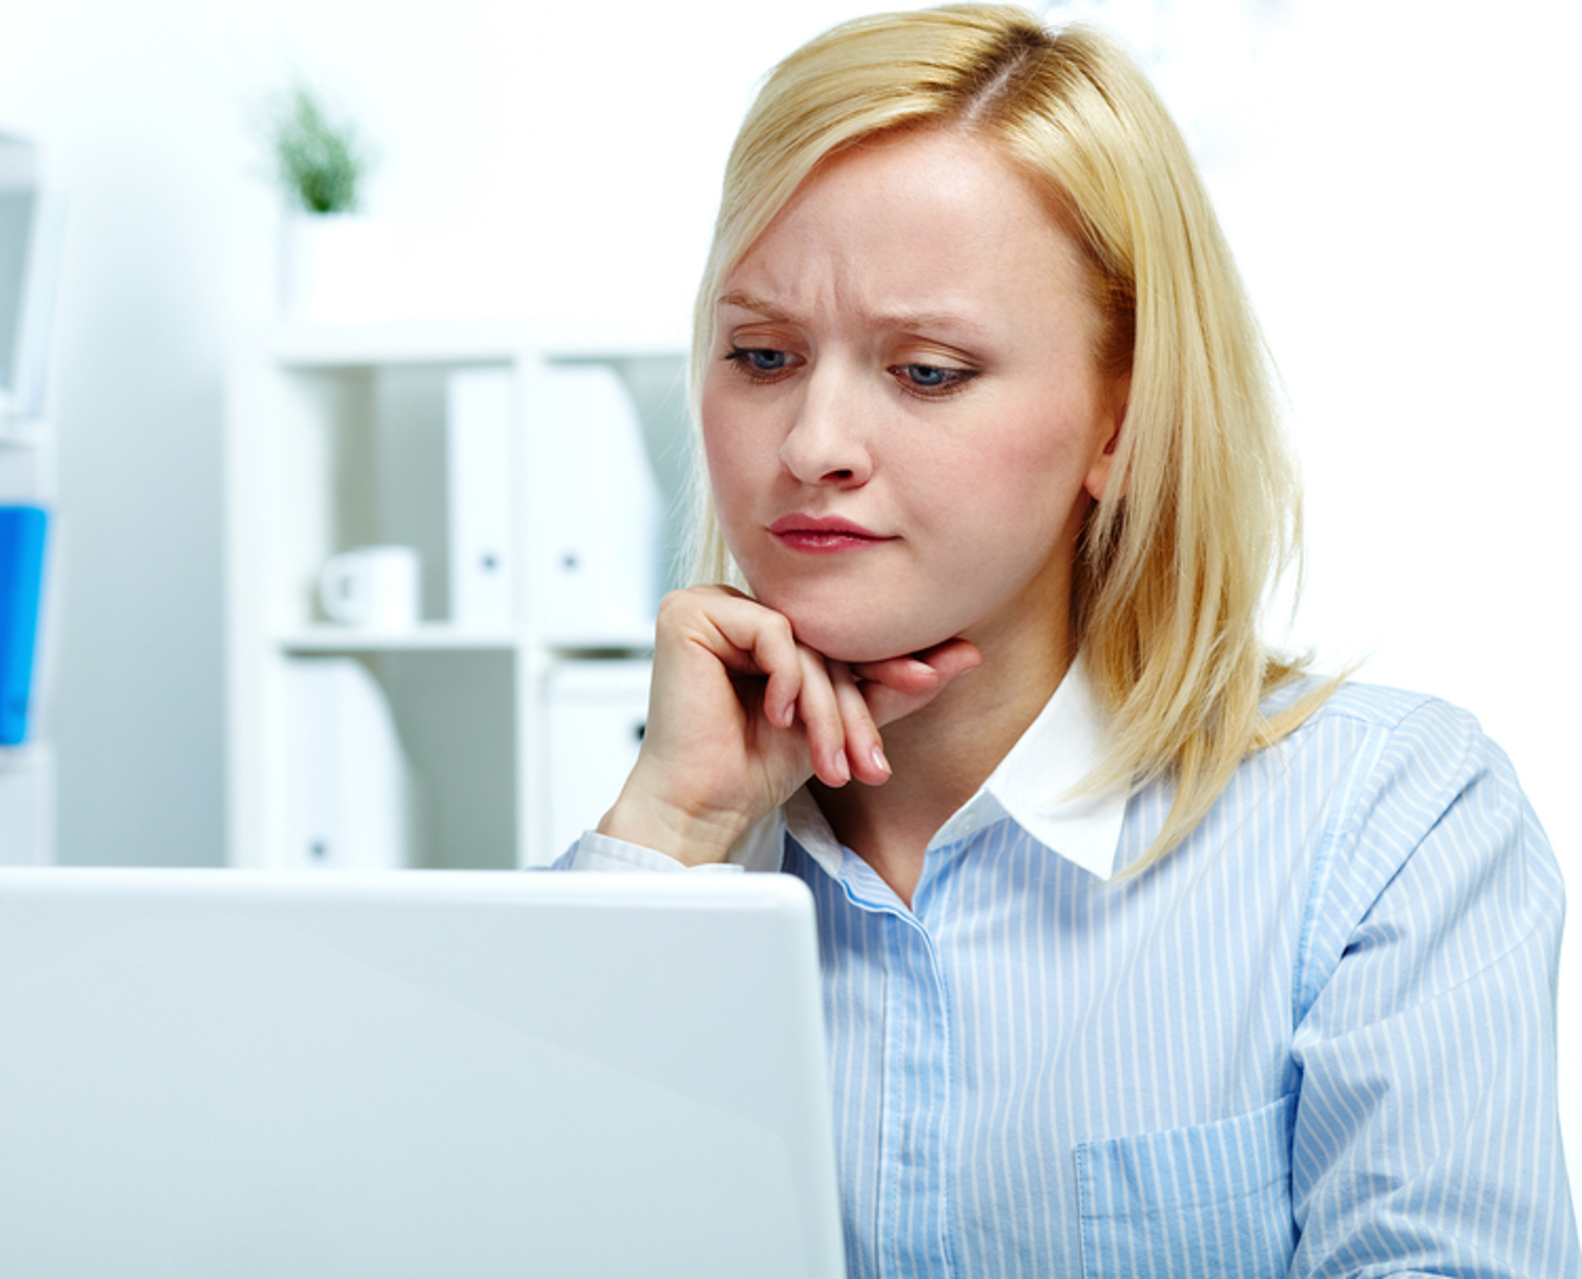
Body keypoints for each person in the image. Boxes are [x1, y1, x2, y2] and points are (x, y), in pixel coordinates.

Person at [550, 5, 1579, 1275]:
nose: (812, 443)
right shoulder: (641, 866)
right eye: (760, 353)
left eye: (926, 371)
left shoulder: (1387, 824)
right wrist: (672, 836)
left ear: (1119, 418)